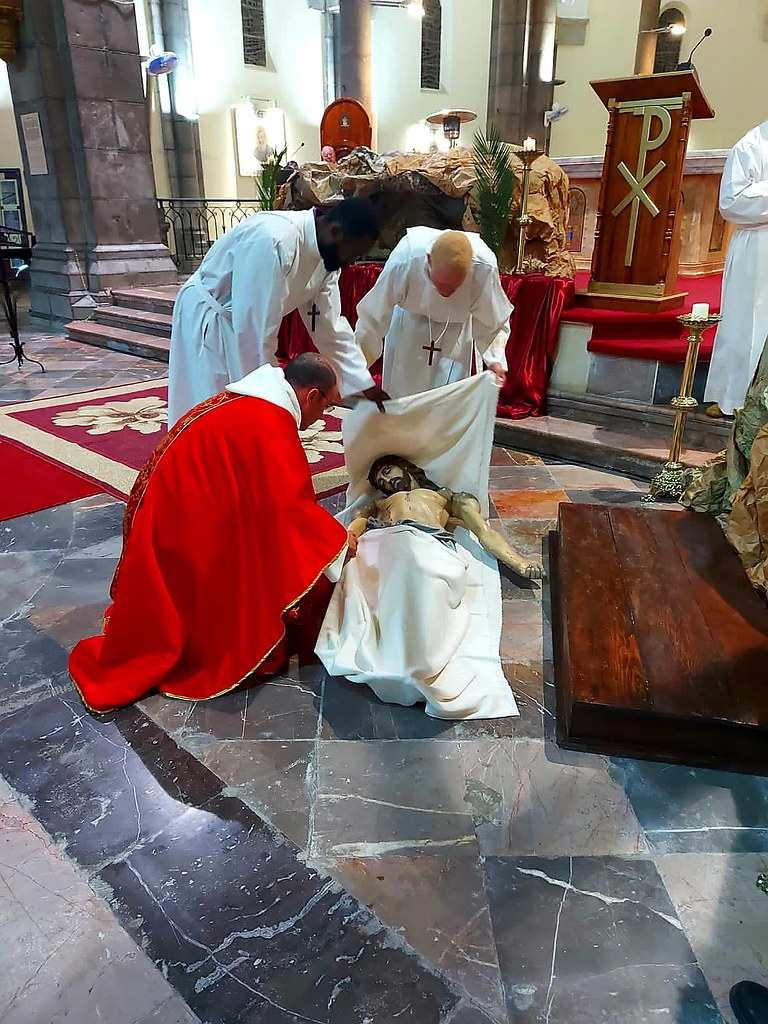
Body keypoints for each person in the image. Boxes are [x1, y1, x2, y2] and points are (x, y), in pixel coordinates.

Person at [70, 354, 356, 713]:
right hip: (183, 522)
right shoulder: (271, 424)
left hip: (175, 508)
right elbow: (291, 511)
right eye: (327, 407)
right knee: (238, 612)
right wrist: (341, 542)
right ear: (312, 396)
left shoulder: (249, 400)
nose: (322, 418)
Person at [315, 455, 542, 720]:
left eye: (388, 471)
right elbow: (353, 531)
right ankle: (395, 653)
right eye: (382, 480)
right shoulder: (377, 505)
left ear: (406, 467)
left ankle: (416, 659)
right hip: (386, 541)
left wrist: (519, 561)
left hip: (429, 542)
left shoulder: (448, 497)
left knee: (421, 576)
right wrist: (341, 550)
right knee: (374, 582)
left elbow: (484, 532)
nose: (388, 480)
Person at [168, 198, 389, 427]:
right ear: (335, 232)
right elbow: (256, 333)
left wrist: (364, 384)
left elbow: (330, 328)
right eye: (353, 254)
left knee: (244, 414)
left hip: (244, 325)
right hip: (211, 320)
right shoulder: (275, 241)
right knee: (211, 407)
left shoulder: (327, 257)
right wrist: (274, 401)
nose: (351, 263)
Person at [353, 228, 513, 399]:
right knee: (402, 401)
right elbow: (372, 318)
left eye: (455, 287)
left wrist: (495, 360)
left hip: (455, 334)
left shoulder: (483, 267)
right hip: (408, 328)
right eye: (442, 284)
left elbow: (493, 321)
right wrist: (356, 369)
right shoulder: (406, 259)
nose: (447, 293)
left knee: (448, 403)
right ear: (429, 261)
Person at [704, 119, 768, 418]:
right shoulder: (751, 145)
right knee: (750, 322)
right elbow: (732, 202)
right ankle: (737, 396)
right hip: (758, 247)